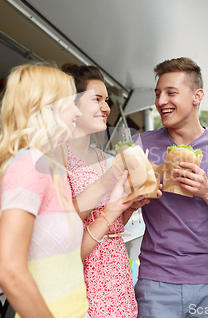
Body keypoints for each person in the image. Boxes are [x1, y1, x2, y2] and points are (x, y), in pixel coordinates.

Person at [0, 63, 134, 318]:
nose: (77, 112)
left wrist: (116, 209)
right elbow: (10, 273)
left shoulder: (52, 168)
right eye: (70, 102)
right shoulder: (28, 165)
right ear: (46, 108)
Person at [133, 57, 208, 318]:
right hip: (155, 281)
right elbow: (118, 202)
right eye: (158, 94)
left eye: (171, 93)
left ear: (197, 96)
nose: (161, 102)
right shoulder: (140, 145)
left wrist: (207, 191)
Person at [61, 63, 145, 318]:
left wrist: (129, 207)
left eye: (106, 100)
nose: (106, 108)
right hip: (86, 280)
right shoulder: (57, 157)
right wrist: (106, 183)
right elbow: (63, 224)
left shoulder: (101, 156)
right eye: (96, 99)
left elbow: (112, 223)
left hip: (117, 276)